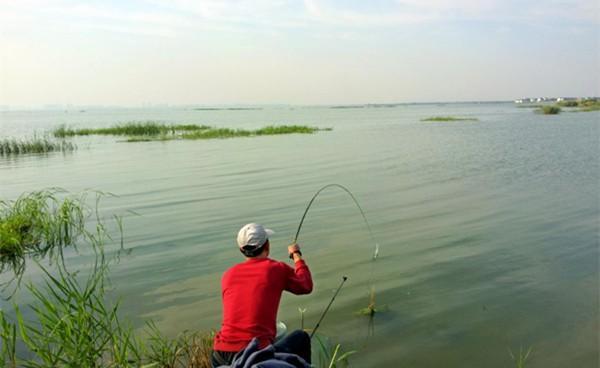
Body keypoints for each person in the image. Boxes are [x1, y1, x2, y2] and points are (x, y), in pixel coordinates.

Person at [211, 223, 313, 367]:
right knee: (301, 338)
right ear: (267, 245)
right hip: (255, 354)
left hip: (219, 355)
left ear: (241, 249)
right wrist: (296, 255)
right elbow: (306, 285)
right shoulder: (276, 269)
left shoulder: (228, 275)